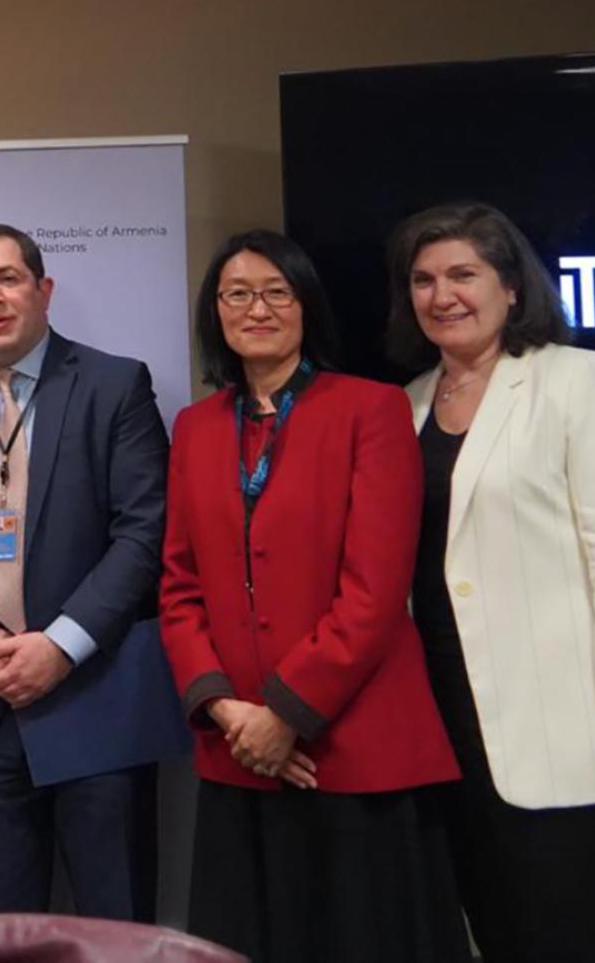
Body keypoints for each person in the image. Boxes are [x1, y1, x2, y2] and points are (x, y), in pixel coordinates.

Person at [388, 202, 595, 962]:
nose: (442, 295)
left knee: (564, 942)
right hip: (447, 735)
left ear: (512, 285)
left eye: (463, 274)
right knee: (496, 939)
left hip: (565, 741)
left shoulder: (580, 381)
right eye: (423, 280)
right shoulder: (408, 403)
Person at [159, 230, 467, 963]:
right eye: (238, 294)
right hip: (239, 751)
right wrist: (230, 712)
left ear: (307, 307)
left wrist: (287, 715)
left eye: (278, 292)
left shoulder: (371, 409)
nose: (257, 309)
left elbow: (375, 591)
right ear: (216, 312)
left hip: (351, 747)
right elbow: (178, 585)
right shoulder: (196, 427)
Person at [0, 222, 171, 920]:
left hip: (96, 697)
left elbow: (143, 533)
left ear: (43, 289)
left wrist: (62, 645)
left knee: (115, 926)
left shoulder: (116, 384)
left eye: (8, 279)